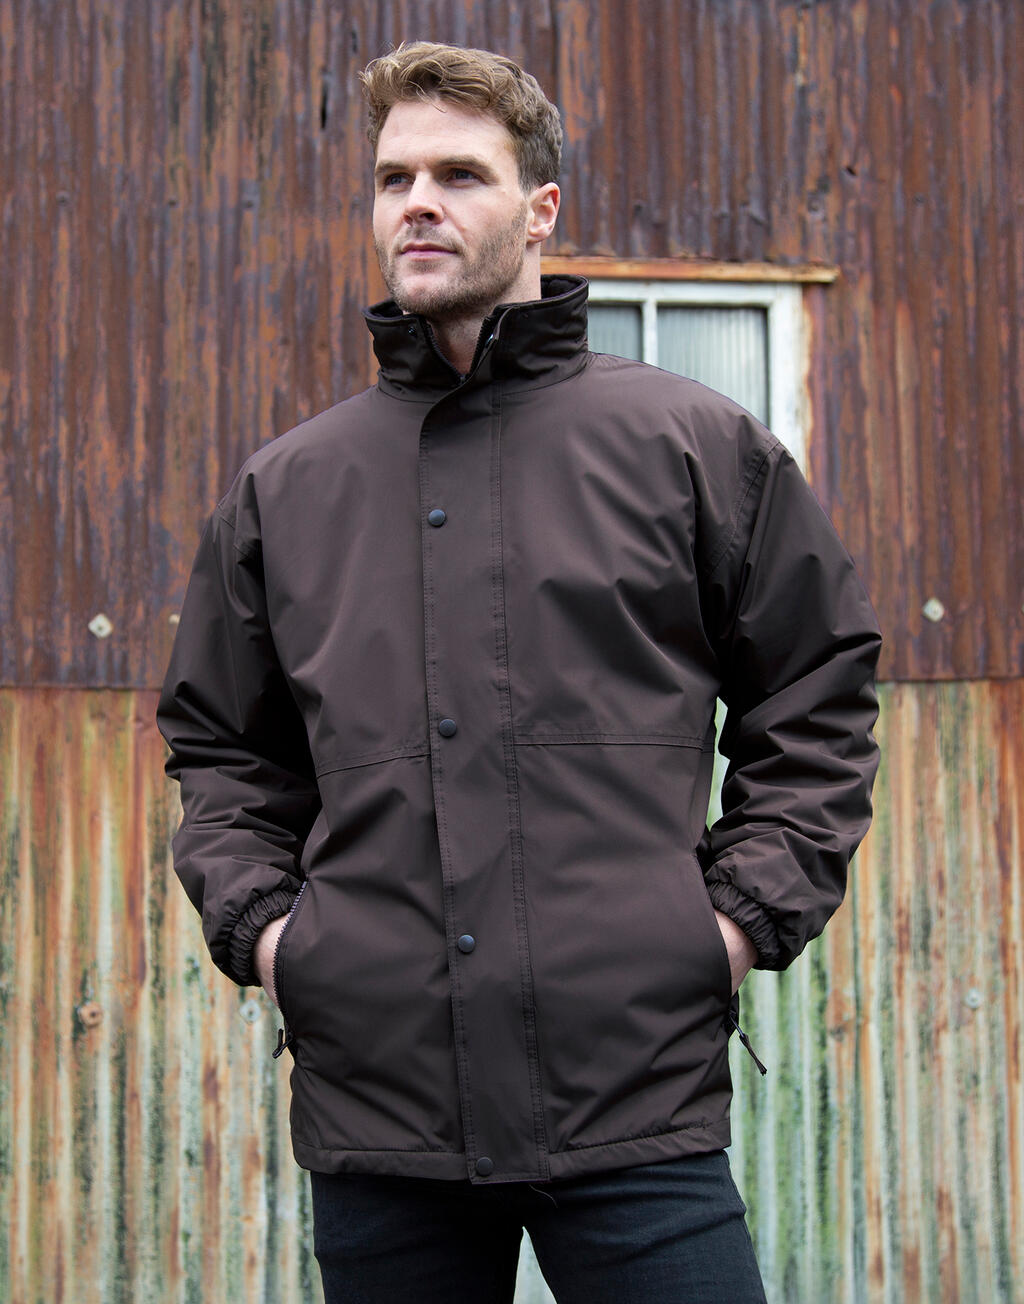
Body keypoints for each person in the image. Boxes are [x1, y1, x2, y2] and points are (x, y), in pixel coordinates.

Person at [158, 40, 881, 1304]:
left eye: (458, 174)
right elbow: (222, 746)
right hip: (382, 1107)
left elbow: (815, 691)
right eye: (393, 178)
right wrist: (276, 939)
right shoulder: (288, 488)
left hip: (633, 1092)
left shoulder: (690, 447)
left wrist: (728, 923)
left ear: (540, 209)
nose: (416, 203)